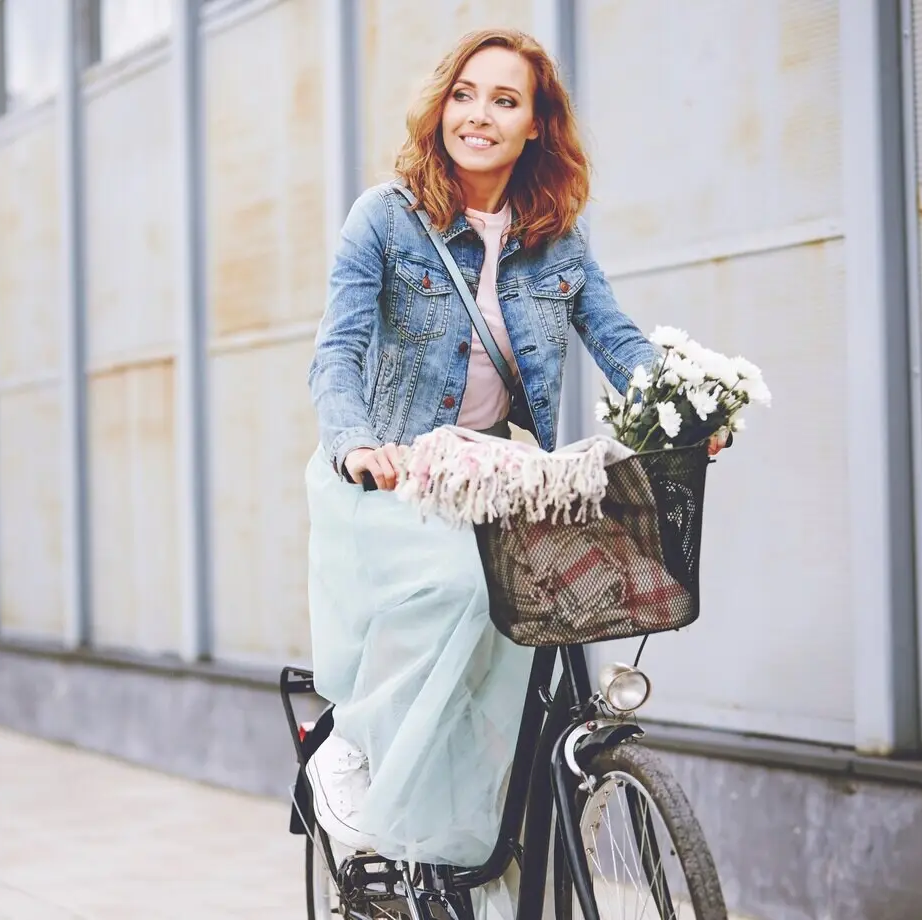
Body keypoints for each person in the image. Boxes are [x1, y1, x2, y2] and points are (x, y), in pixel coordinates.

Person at [303, 27, 722, 870]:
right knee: (468, 589)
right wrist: (357, 448)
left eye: (504, 100)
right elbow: (336, 353)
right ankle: (347, 742)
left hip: (488, 477)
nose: (479, 116)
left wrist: (687, 410)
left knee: (544, 612)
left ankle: (483, 838)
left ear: (536, 125)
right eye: (464, 95)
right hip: (388, 479)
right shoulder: (385, 218)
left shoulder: (556, 239)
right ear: (440, 108)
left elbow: (618, 341)